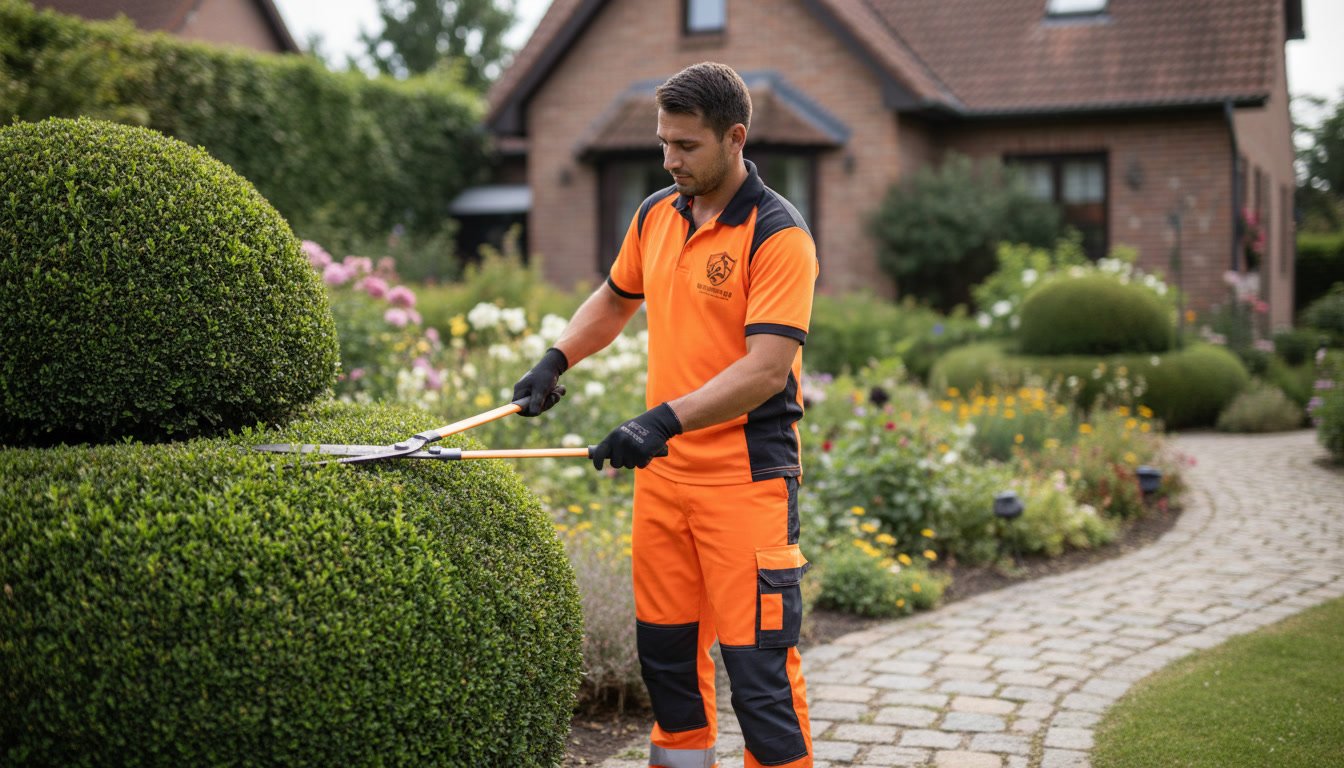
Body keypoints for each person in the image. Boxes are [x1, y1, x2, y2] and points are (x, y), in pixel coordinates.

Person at [512, 61, 817, 768]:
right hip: (665, 480)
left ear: (735, 138)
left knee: (760, 674)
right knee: (668, 658)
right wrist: (555, 359)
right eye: (663, 144)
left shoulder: (778, 236)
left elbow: (765, 370)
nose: (669, 159)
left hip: (745, 483)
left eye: (686, 146)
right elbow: (617, 298)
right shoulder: (655, 213)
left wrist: (659, 422)